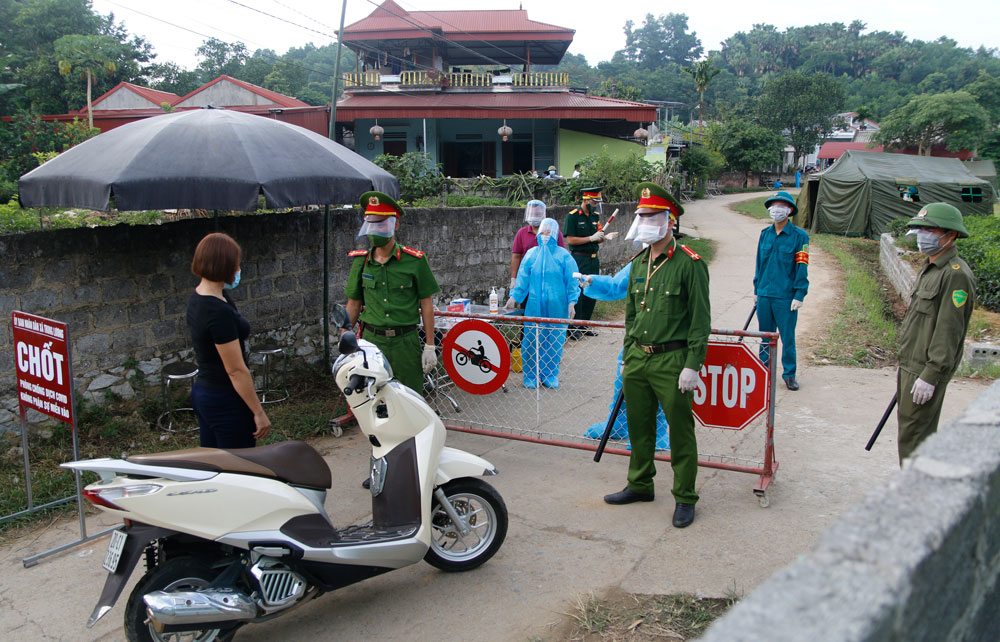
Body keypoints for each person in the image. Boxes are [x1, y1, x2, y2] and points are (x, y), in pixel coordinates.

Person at [602, 182, 710, 529]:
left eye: (650, 216)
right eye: (641, 216)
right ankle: (640, 484)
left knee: (680, 432)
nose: (644, 221)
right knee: (639, 426)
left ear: (669, 220)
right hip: (638, 358)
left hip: (672, 360)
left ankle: (685, 496)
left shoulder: (689, 264)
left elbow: (700, 320)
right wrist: (626, 353)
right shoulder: (638, 263)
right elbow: (631, 312)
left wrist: (693, 364)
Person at [896, 203, 976, 463]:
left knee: (915, 437)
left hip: (925, 369)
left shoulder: (955, 275)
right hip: (911, 364)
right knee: (911, 434)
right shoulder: (930, 267)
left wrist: (931, 375)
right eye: (920, 229)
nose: (922, 235)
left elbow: (949, 330)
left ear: (950, 235)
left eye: (930, 230)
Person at [345, 191, 440, 394]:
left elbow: (426, 303)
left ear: (394, 224)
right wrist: (345, 336)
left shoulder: (414, 260)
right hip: (372, 342)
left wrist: (430, 345)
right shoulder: (361, 261)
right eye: (371, 224)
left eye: (381, 224)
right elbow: (353, 304)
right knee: (372, 398)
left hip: (405, 342)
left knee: (409, 396)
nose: (375, 230)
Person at [186, 232, 271, 448]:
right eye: (236, 264)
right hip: (225, 399)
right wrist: (258, 412)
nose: (238, 269)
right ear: (224, 265)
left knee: (215, 466)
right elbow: (235, 370)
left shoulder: (200, 297)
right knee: (238, 469)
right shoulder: (216, 311)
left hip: (205, 392)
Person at [579, 263, 670, 451]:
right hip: (636, 336)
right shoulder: (639, 263)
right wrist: (593, 281)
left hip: (666, 338)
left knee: (657, 387)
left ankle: (656, 433)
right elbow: (616, 285)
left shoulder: (680, 263)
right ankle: (617, 424)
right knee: (624, 382)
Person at [508, 217, 580, 389]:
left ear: (555, 234)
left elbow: (572, 282)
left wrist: (572, 302)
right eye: (543, 231)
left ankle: (550, 373)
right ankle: (531, 374)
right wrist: (514, 297)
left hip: (558, 306)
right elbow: (523, 278)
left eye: (549, 231)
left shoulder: (564, 256)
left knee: (554, 339)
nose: (546, 235)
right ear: (539, 233)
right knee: (532, 339)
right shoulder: (531, 254)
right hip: (534, 305)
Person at [753, 191, 810, 391]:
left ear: (789, 210)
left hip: (785, 298)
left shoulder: (800, 237)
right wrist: (756, 289)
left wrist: (799, 294)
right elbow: (759, 264)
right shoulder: (765, 234)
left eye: (781, 206)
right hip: (765, 295)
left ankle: (789, 374)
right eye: (774, 205)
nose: (777, 209)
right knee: (765, 338)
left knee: (787, 337)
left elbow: (802, 267)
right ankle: (764, 372)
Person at [563, 187, 618, 338]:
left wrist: (604, 237)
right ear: (585, 199)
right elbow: (570, 240)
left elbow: (598, 235)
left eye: (597, 203)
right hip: (579, 258)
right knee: (578, 292)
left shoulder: (594, 217)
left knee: (591, 291)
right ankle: (573, 327)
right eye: (594, 202)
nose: (595, 205)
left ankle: (584, 324)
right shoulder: (573, 216)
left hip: (593, 259)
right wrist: (590, 238)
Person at [505, 200, 566, 308]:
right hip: (528, 281)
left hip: (549, 281)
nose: (534, 217)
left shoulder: (555, 233)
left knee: (549, 313)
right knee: (529, 311)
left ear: (544, 215)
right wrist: (514, 279)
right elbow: (516, 256)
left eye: (537, 214)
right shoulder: (522, 233)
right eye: (532, 214)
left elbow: (562, 257)